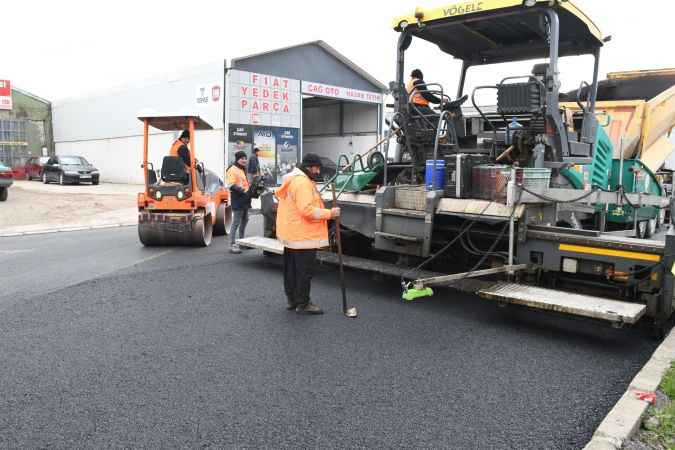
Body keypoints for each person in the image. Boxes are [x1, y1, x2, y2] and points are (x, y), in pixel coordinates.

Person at [275, 153, 340, 315]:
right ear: (308, 167)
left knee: (291, 270)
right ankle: (303, 304)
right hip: (303, 235)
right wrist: (330, 213)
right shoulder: (303, 183)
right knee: (304, 271)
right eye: (316, 168)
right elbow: (307, 210)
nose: (318, 172)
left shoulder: (292, 180)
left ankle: (292, 300)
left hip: (292, 234)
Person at [226, 151, 251, 254]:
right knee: (236, 222)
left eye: (245, 158)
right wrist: (243, 191)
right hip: (238, 198)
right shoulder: (232, 169)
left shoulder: (242, 169)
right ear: (237, 159)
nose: (244, 160)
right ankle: (232, 245)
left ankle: (242, 242)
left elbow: (245, 183)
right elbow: (231, 185)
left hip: (245, 198)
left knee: (245, 220)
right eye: (242, 158)